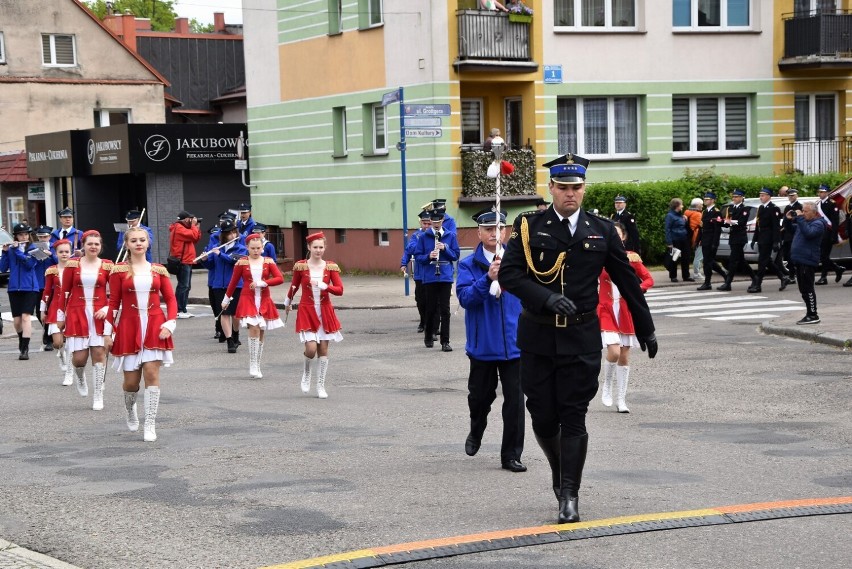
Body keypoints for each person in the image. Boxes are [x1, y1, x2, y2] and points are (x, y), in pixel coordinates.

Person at [498, 153, 657, 524]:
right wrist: (546, 296)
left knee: (573, 415)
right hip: (538, 335)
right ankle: (559, 472)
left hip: (582, 337)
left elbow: (627, 281)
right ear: (551, 188)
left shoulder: (600, 230)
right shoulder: (528, 226)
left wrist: (646, 328)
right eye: (563, 187)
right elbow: (510, 275)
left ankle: (569, 493)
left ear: (584, 189)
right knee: (542, 416)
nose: (571, 194)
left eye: (577, 188)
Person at [456, 208, 526, 473]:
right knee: (479, 399)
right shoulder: (468, 265)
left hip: (515, 345)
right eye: (488, 229)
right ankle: (477, 428)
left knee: (515, 403)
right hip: (483, 346)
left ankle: (511, 455)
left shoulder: (518, 261)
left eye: (498, 229)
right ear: (479, 232)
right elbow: (466, 299)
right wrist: (488, 279)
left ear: (506, 231)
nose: (494, 234)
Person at [106, 227, 177, 442]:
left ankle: (150, 424)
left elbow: (171, 300)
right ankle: (130, 409)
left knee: (151, 373)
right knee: (131, 383)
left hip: (155, 324)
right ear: (126, 244)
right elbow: (113, 303)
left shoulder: (158, 270)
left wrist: (170, 323)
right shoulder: (118, 271)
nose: (138, 243)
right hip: (129, 325)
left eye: (142, 240)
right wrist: (108, 331)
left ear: (148, 243)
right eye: (134, 240)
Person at [598, 222, 654, 414]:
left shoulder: (631, 257)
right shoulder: (599, 256)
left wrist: (635, 291)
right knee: (613, 352)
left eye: (617, 233)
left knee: (624, 355)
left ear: (623, 237)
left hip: (625, 310)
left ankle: (621, 399)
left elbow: (648, 279)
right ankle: (606, 385)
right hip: (605, 308)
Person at [58, 230, 114, 410]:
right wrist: (60, 317)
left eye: (97, 244)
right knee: (79, 359)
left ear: (101, 246)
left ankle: (98, 394)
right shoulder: (72, 265)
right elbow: (63, 292)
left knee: (99, 353)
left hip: (99, 314)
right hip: (77, 313)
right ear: (84, 245)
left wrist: (107, 309)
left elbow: (115, 294)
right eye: (90, 244)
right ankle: (80, 376)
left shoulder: (107, 266)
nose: (93, 247)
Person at [285, 232, 344, 399]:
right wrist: (287, 301)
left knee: (323, 350)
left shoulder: (330, 266)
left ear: (325, 248)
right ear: (309, 248)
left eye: (321, 247)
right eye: (315, 247)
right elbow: (294, 286)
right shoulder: (301, 266)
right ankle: (306, 372)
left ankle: (320, 385)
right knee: (310, 349)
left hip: (324, 310)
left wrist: (324, 285)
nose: (318, 250)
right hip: (307, 310)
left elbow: (340, 290)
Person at [222, 234, 285, 379]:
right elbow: (233, 282)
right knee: (254, 328)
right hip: (247, 298)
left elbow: (279, 278)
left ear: (262, 248)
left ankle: (258, 363)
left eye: (258, 248)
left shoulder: (268, 261)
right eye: (252, 248)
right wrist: (226, 299)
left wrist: (263, 283)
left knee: (261, 331)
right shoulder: (242, 263)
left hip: (264, 299)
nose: (256, 251)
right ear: (247, 248)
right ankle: (252, 363)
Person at [414, 210, 460, 351]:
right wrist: (429, 256)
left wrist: (445, 248)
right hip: (430, 276)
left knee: (445, 310)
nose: (435, 224)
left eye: (438, 222)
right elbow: (418, 257)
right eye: (433, 222)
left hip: (445, 276)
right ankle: (428, 336)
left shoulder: (450, 236)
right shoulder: (423, 237)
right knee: (431, 308)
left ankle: (445, 341)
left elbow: (455, 255)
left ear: (442, 221)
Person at [202, 219, 246, 353]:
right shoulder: (216, 246)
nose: (232, 235)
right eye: (228, 233)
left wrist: (220, 254)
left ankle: (236, 333)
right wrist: (204, 260)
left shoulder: (241, 248)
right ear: (223, 235)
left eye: (234, 232)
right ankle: (229, 340)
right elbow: (211, 266)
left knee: (235, 315)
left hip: (235, 285)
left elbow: (233, 261)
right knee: (224, 313)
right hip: (218, 285)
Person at [0, 222, 41, 360]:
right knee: (17, 321)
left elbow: (29, 265)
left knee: (25, 317)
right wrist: (5, 252)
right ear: (16, 236)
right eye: (20, 234)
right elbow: (3, 268)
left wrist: (18, 251)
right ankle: (21, 340)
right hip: (14, 288)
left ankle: (25, 349)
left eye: (25, 234)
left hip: (30, 288)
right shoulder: (11, 249)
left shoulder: (33, 248)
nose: (23, 237)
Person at [41, 239, 74, 385]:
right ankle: (61, 356)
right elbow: (47, 291)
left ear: (71, 252)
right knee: (57, 342)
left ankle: (69, 372)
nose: (64, 254)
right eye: (61, 252)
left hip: (73, 307)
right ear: (56, 253)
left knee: (72, 342)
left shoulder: (76, 268)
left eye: (67, 251)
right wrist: (43, 309)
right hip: (56, 307)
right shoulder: (51, 270)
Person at [789, 202, 827, 324]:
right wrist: (787, 219)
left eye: (805, 211)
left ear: (814, 212)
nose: (803, 213)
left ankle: (813, 314)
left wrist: (800, 218)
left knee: (808, 288)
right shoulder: (805, 222)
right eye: (803, 211)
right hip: (800, 259)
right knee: (803, 289)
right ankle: (809, 313)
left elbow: (809, 233)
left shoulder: (819, 224)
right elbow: (791, 230)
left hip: (808, 260)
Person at [749, 188, 790, 293]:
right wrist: (754, 239)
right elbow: (758, 225)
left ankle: (758, 285)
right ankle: (783, 278)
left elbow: (776, 227)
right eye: (760, 195)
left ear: (768, 196)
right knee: (767, 260)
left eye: (763, 195)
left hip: (769, 238)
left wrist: (777, 241)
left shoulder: (774, 208)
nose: (761, 197)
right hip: (762, 238)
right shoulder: (761, 208)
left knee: (762, 262)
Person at [400, 211, 432, 333]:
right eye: (425, 223)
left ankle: (433, 324)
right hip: (419, 274)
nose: (427, 226)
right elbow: (409, 250)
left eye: (429, 223)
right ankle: (423, 321)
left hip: (432, 273)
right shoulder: (416, 235)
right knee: (420, 300)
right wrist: (403, 263)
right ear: (421, 223)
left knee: (433, 300)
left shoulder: (436, 235)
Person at [719, 189, 756, 291]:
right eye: (733, 197)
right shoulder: (731, 208)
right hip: (733, 236)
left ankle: (728, 283)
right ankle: (755, 278)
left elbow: (741, 222)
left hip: (740, 237)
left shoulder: (745, 209)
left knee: (733, 260)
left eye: (736, 197)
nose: (734, 198)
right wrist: (721, 221)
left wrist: (730, 221)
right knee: (741, 260)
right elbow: (727, 222)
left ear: (741, 198)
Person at [168, 210, 201, 319]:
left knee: (186, 286)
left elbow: (195, 238)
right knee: (183, 286)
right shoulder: (179, 228)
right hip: (183, 261)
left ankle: (183, 309)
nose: (192, 221)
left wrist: (196, 227)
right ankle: (179, 309)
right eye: (190, 219)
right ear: (185, 219)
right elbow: (192, 236)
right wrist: (193, 226)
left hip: (187, 260)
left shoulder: (183, 228)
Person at [695, 192, 728, 291]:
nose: (705, 200)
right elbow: (702, 227)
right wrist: (698, 240)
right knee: (709, 262)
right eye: (704, 199)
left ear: (713, 200)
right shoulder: (705, 212)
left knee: (707, 262)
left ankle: (707, 283)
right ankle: (725, 275)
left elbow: (717, 230)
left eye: (707, 199)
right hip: (705, 240)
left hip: (711, 240)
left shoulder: (716, 212)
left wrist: (715, 243)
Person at [33, 225, 57, 350]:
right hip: (38, 284)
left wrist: (51, 255)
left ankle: (49, 339)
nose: (43, 239)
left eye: (45, 237)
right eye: (40, 237)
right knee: (39, 311)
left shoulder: (55, 247)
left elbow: (61, 261)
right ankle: (47, 330)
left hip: (52, 284)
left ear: (50, 237)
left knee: (50, 310)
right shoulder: (33, 248)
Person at [815, 184, 844, 285]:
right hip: (820, 233)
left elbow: (835, 222)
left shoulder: (832, 203)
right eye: (820, 192)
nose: (820, 193)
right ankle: (837, 268)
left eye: (822, 192)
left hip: (828, 232)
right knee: (822, 256)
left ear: (827, 193)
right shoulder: (818, 204)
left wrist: (834, 235)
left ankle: (824, 277)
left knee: (824, 255)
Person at [664, 198, 693, 283]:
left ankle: (686, 276)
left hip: (684, 239)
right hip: (675, 239)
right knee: (674, 258)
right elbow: (667, 229)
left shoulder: (681, 215)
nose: (682, 206)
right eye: (681, 204)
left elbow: (684, 226)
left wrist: (686, 220)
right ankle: (673, 276)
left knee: (686, 257)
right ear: (677, 206)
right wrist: (669, 242)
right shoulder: (670, 215)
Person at [780, 188, 803, 289]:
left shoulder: (800, 207)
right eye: (789, 196)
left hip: (795, 233)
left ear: (796, 196)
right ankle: (791, 275)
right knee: (788, 256)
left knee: (795, 256)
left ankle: (797, 275)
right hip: (787, 234)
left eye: (793, 195)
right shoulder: (787, 207)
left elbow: (800, 220)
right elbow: (785, 219)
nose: (791, 197)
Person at [684, 198, 703, 279]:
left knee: (698, 256)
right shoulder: (697, 214)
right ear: (697, 205)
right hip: (697, 237)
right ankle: (696, 273)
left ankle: (697, 272)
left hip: (691, 237)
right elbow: (701, 225)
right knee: (699, 256)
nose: (702, 206)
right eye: (701, 204)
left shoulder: (687, 212)